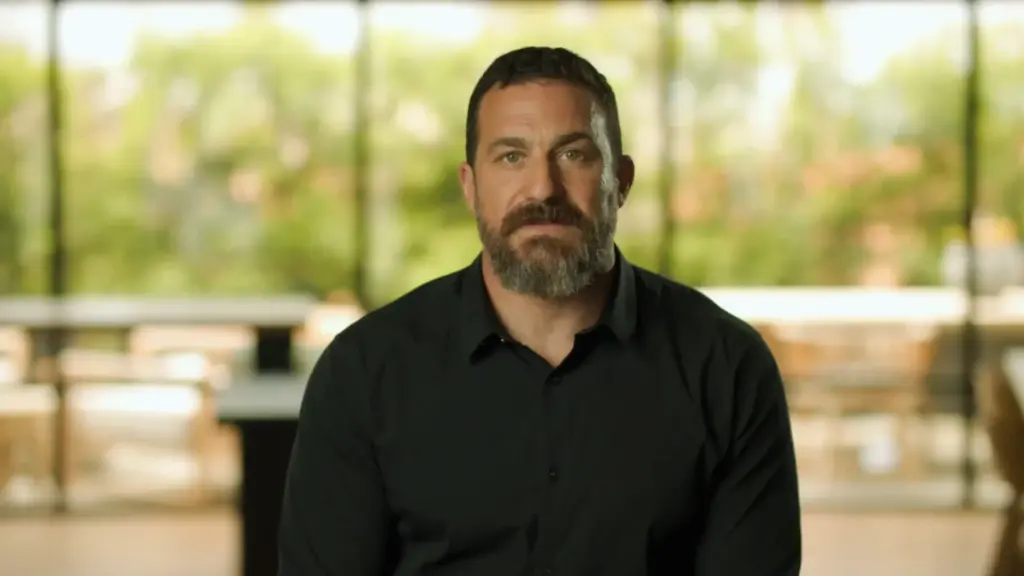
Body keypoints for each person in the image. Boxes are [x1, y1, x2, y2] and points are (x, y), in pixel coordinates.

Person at [278, 46, 802, 576]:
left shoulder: (727, 367)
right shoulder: (365, 371)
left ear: (619, 181)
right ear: (470, 186)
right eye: (511, 156)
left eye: (574, 154)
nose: (542, 188)